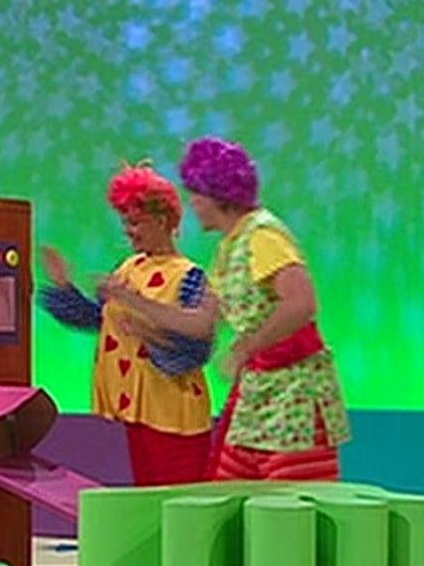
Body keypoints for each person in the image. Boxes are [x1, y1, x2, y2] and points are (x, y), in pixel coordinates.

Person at [102, 137, 351, 481]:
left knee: (287, 499)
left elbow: (301, 303)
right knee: (226, 492)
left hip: (293, 393)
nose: (193, 205)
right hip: (258, 393)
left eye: (196, 196)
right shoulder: (229, 247)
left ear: (217, 196)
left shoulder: (262, 235)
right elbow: (201, 323)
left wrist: (247, 347)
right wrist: (132, 301)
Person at [38, 161, 215, 486]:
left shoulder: (189, 277)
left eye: (135, 222)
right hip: (136, 412)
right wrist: (64, 287)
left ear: (162, 221)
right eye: (125, 223)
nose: (128, 231)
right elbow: (102, 321)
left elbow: (197, 348)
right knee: (145, 495)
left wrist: (150, 333)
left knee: (177, 499)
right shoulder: (127, 269)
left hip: (174, 415)